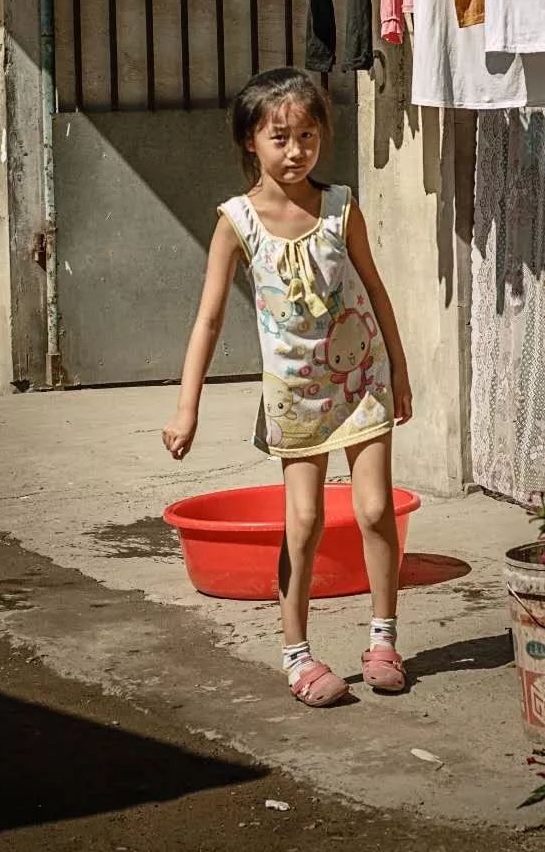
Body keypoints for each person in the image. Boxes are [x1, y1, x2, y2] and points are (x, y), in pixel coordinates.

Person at [163, 67, 413, 707]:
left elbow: (376, 291)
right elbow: (209, 317)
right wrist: (187, 408)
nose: (296, 150)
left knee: (375, 509)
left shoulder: (341, 207)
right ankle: (297, 654)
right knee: (301, 522)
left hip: (362, 382)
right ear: (251, 141)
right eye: (280, 137)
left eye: (307, 135)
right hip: (295, 395)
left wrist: (401, 374)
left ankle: (384, 638)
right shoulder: (235, 222)